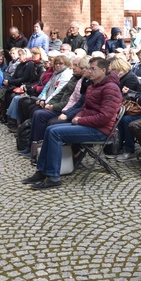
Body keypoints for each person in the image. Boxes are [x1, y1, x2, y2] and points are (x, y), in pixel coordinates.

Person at [22, 57, 123, 189]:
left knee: (55, 133)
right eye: (89, 68)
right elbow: (85, 107)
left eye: (93, 69)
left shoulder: (111, 88)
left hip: (101, 131)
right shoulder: (93, 85)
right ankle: (42, 170)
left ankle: (53, 177)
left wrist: (80, 120)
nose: (90, 71)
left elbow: (105, 117)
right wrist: (79, 117)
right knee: (51, 129)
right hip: (89, 125)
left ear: (103, 71)